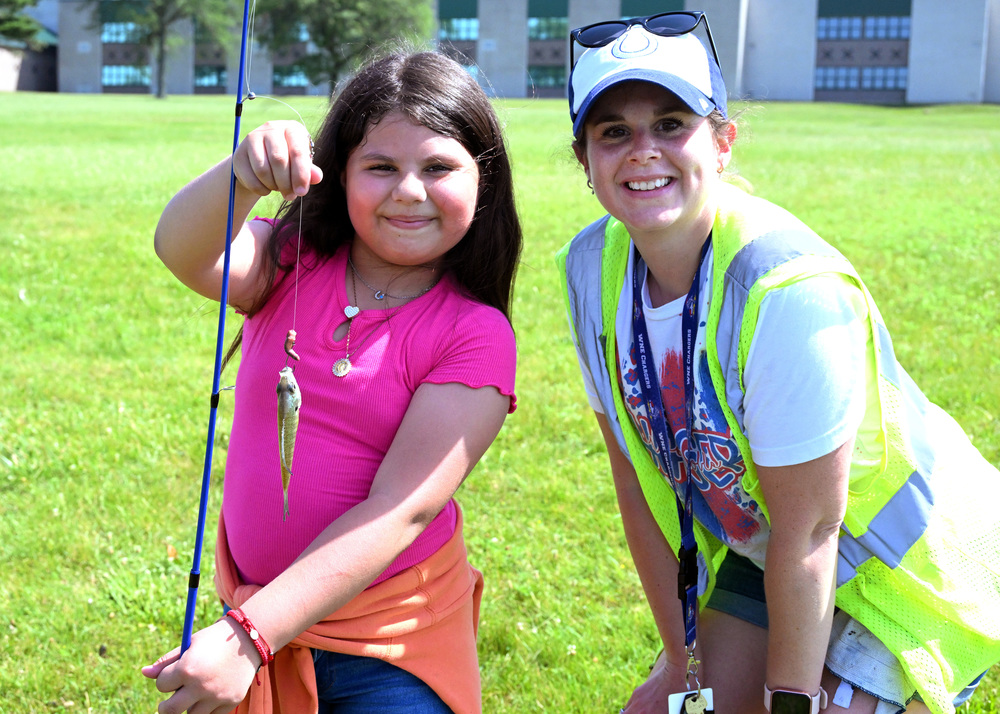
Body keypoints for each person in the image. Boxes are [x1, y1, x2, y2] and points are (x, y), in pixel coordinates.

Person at [557, 11, 1000, 714]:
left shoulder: (786, 288)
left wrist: (789, 702)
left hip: (908, 574)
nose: (643, 150)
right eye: (614, 131)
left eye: (672, 124)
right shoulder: (591, 268)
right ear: (585, 161)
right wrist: (686, 671)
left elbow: (814, 528)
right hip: (769, 554)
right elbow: (635, 488)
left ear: (724, 142)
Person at [142, 49, 522, 714]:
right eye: (380, 167)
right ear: (337, 176)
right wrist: (241, 174)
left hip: (389, 645)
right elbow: (182, 249)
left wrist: (247, 635)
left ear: (482, 183)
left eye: (437, 168)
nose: (408, 190)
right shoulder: (291, 261)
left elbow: (403, 509)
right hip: (256, 628)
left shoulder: (474, 333)